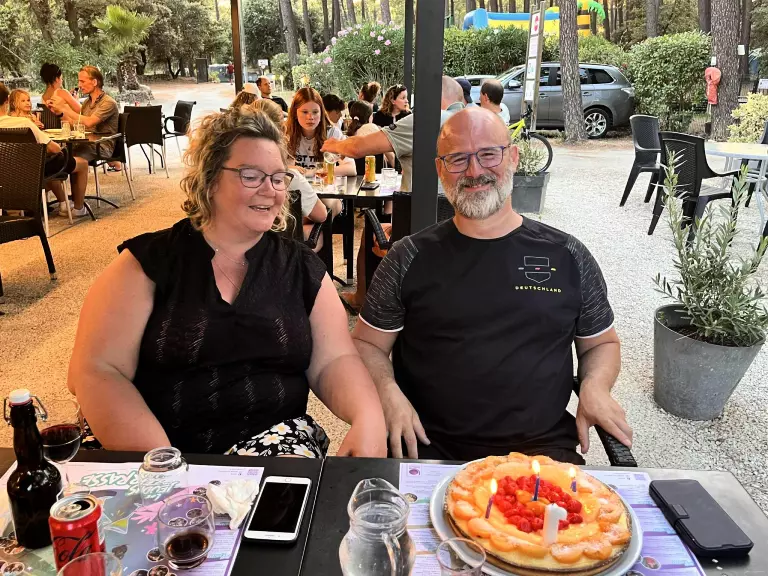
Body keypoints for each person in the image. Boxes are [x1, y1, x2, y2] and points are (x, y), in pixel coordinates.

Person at [67, 107, 388, 457]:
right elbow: (98, 370)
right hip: (151, 445)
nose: (270, 190)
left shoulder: (301, 268)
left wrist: (368, 416)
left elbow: (334, 360)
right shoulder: (147, 264)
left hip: (275, 442)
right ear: (210, 178)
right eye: (251, 176)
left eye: (279, 178)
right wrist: (164, 466)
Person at [351, 107, 632, 464]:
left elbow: (601, 343)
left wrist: (595, 386)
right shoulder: (407, 257)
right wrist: (387, 392)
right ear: (440, 169)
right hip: (426, 448)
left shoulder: (567, 255)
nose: (474, 171)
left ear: (513, 157)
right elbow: (366, 344)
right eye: (457, 159)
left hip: (539, 454)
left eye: (488, 154)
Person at [322, 76, 465, 193]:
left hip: (421, 211)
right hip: (459, 210)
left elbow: (358, 148)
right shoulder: (472, 119)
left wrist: (335, 145)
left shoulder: (425, 120)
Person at [251, 98, 328, 251]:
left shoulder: (233, 172)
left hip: (244, 246)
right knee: (318, 231)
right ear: (282, 130)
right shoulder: (288, 177)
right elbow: (321, 215)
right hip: (280, 249)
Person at [49, 66, 119, 217]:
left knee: (73, 159)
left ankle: (78, 207)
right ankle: (63, 201)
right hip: (84, 143)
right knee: (52, 158)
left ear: (94, 82)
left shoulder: (108, 103)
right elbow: (78, 124)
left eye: (82, 81)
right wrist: (60, 113)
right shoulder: (87, 102)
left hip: (101, 145)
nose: (79, 85)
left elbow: (89, 122)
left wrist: (66, 109)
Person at [0, 83, 74, 210]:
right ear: (8, 100)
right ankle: (75, 206)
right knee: (71, 160)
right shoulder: (23, 123)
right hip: (31, 171)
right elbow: (54, 148)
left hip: (4, 174)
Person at [285, 87, 355, 217]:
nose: (310, 117)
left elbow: (351, 168)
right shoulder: (286, 134)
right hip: (297, 193)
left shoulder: (332, 133)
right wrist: (290, 168)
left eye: (315, 112)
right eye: (304, 112)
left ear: (322, 113)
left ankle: (309, 228)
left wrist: (315, 172)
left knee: (325, 205)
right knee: (293, 207)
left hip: (327, 193)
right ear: (295, 113)